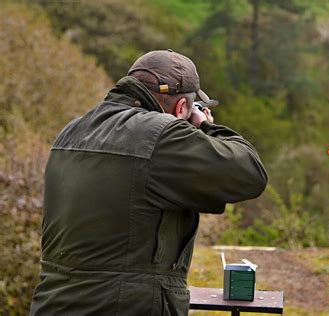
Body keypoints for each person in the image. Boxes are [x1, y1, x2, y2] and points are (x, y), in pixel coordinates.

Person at [30, 49, 268, 315]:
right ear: (181, 108)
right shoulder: (161, 137)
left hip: (52, 305)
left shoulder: (71, 131)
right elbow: (250, 173)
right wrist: (205, 127)